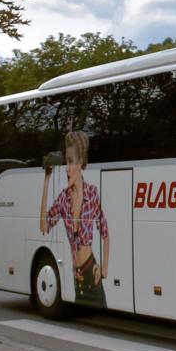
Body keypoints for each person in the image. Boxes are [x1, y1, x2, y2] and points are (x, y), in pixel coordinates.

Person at [39, 130, 109, 307]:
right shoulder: (63, 199)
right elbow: (44, 226)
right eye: (66, 163)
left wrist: (104, 269)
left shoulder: (92, 193)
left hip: (91, 275)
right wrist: (47, 181)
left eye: (70, 162)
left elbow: (106, 234)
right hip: (77, 278)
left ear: (80, 164)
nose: (67, 168)